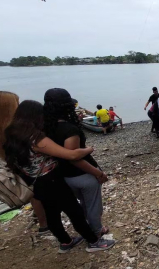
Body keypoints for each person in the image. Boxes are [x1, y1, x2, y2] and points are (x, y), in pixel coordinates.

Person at [3, 100, 115, 253]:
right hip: (51, 180)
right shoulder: (35, 138)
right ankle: (93, 242)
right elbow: (71, 154)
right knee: (74, 212)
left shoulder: (11, 135)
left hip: (33, 181)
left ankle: (65, 242)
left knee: (52, 213)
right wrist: (89, 149)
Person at [44, 88, 110, 238]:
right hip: (82, 174)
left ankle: (88, 228)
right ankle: (96, 231)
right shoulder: (69, 129)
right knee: (93, 206)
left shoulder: (46, 128)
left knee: (83, 203)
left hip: (63, 176)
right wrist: (98, 173)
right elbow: (74, 158)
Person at [0, 91, 48, 234]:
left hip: (18, 167)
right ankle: (44, 224)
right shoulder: (14, 128)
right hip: (31, 167)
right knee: (38, 194)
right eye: (17, 102)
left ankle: (42, 221)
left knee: (34, 195)